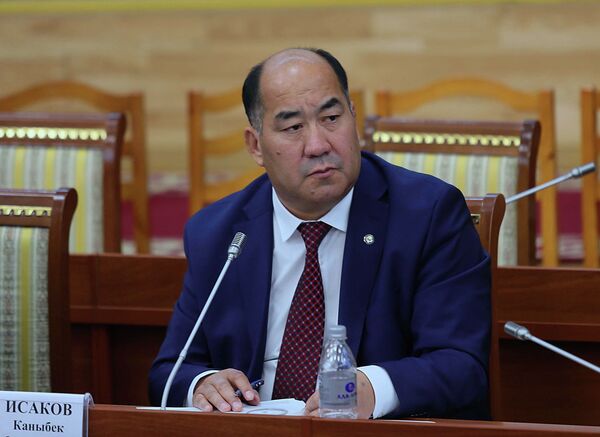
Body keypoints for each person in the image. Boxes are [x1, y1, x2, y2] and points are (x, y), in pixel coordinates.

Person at [149, 47, 491, 419]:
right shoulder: (219, 234)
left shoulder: (427, 214)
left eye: (331, 118)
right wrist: (203, 384)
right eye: (293, 127)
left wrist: (374, 388)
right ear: (256, 146)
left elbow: (462, 365)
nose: (318, 145)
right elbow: (170, 371)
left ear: (353, 116)